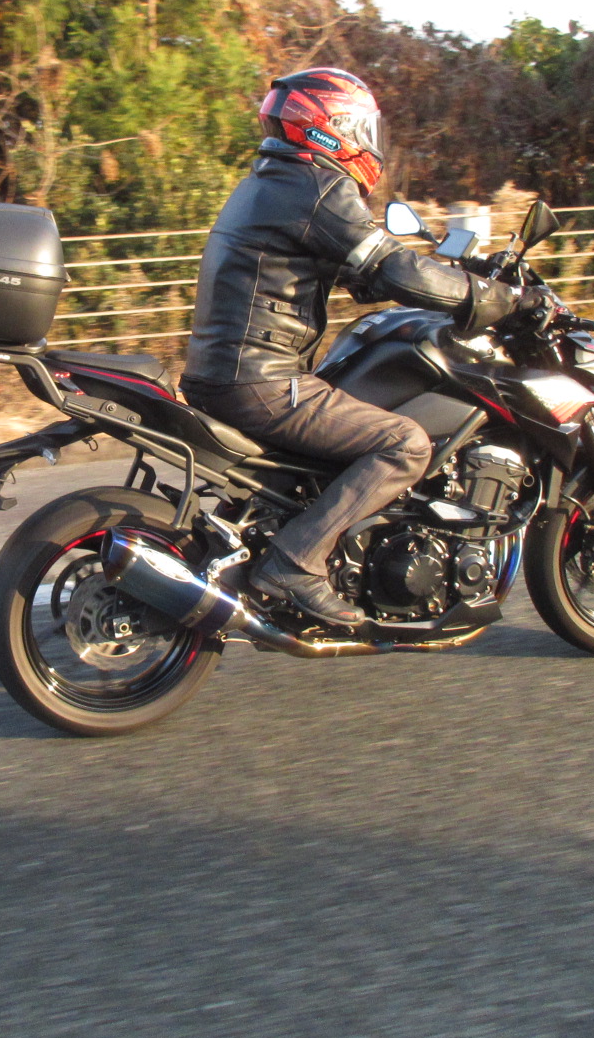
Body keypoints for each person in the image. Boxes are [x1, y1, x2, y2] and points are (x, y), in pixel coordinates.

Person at [180, 67, 524, 629]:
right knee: (405, 444)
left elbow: (337, 263)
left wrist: (378, 279)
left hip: (226, 373)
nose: (370, 141)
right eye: (364, 128)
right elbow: (394, 265)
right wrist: (490, 298)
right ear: (331, 125)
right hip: (262, 382)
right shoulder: (317, 186)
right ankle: (295, 564)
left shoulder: (273, 181)